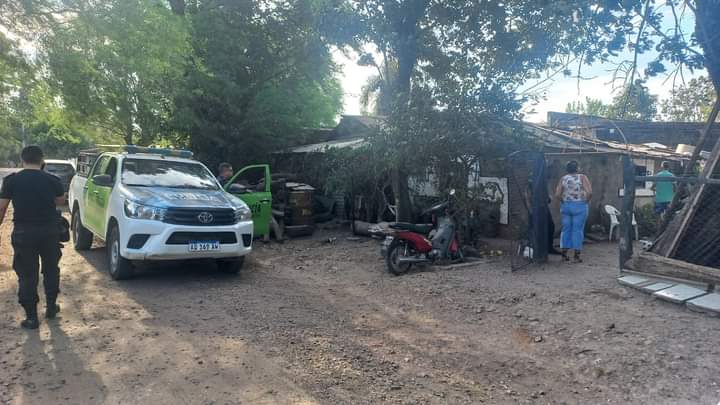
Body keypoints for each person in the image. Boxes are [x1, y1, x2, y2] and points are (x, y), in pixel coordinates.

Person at [0, 145, 65, 329]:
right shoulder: (52, 180)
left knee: (27, 274)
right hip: (49, 232)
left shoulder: (12, 180)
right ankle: (51, 307)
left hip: (24, 233)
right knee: (51, 269)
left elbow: (2, 207)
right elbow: (60, 201)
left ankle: (31, 317)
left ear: (22, 160)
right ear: (42, 160)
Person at [554, 160, 592, 263]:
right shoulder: (582, 177)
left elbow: (557, 194)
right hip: (580, 206)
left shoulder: (563, 178)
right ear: (577, 168)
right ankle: (576, 256)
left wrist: (563, 201)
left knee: (566, 230)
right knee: (577, 230)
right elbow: (589, 192)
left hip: (566, 206)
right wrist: (586, 201)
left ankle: (564, 255)